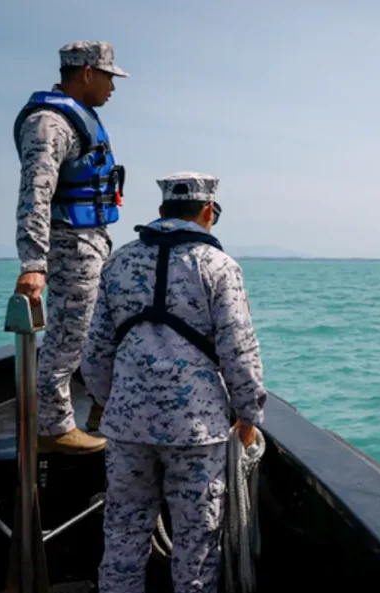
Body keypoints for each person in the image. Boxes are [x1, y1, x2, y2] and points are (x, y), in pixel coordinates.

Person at [80, 171, 268, 593]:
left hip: (127, 427)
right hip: (196, 431)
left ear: (162, 211)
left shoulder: (119, 263)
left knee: (123, 533)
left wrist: (112, 402)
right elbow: (240, 350)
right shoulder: (220, 266)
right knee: (197, 543)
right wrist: (248, 414)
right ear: (208, 213)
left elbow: (94, 353)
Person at [13, 40, 129, 454]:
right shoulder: (49, 123)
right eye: (108, 77)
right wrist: (33, 261)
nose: (112, 87)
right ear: (86, 73)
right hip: (69, 243)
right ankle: (53, 426)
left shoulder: (79, 120)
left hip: (93, 240)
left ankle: (101, 408)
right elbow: (35, 193)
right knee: (69, 335)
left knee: (102, 328)